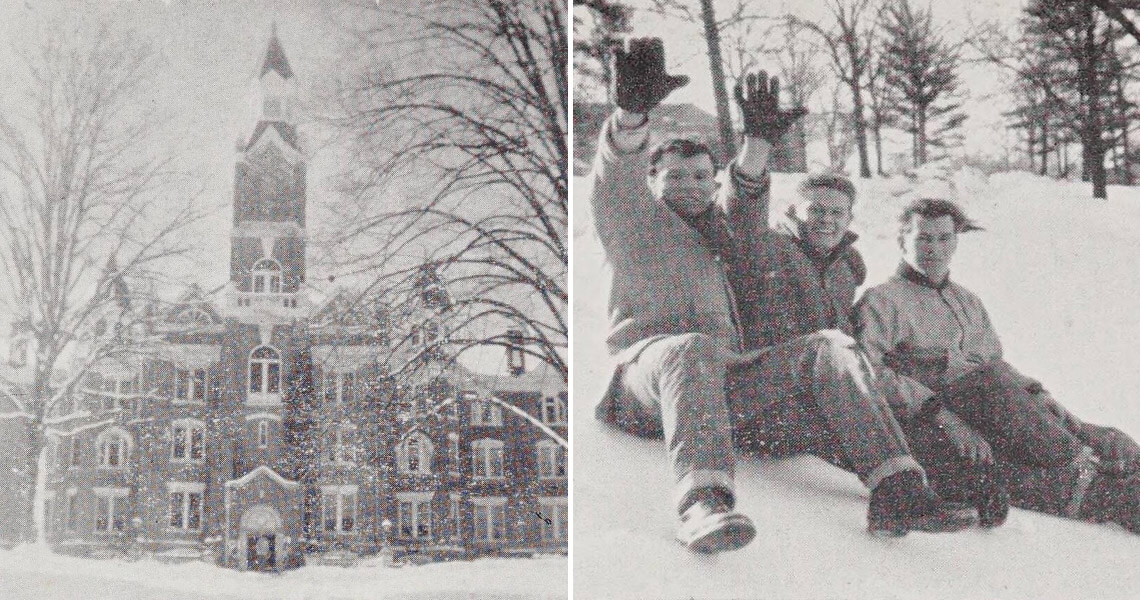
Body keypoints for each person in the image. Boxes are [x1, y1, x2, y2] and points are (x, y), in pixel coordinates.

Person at [588, 37, 977, 554]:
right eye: (673, 176)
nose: (689, 185)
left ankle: (897, 489)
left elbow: (745, 198)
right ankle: (703, 503)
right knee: (691, 346)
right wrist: (632, 115)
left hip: (719, 382)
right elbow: (615, 176)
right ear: (652, 182)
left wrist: (760, 141)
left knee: (832, 345)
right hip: (644, 385)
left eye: (702, 176)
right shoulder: (634, 222)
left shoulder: (727, 238)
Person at [726, 110, 1008, 527]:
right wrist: (758, 148)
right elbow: (742, 213)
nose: (826, 219)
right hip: (770, 395)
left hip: (825, 390)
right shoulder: (765, 249)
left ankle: (951, 490)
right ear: (792, 212)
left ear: (850, 219)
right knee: (867, 419)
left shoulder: (847, 267)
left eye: (837, 213)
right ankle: (901, 495)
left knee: (900, 418)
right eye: (815, 210)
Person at [855, 198, 1140, 533]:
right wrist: (940, 414)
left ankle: (1108, 477)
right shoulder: (882, 300)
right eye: (923, 238)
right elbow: (870, 372)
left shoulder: (967, 300)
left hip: (997, 406)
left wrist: (1038, 393)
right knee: (1000, 406)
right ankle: (1100, 483)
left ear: (956, 241)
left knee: (1113, 441)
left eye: (944, 238)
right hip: (939, 412)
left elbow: (993, 360)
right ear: (903, 241)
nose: (934, 248)